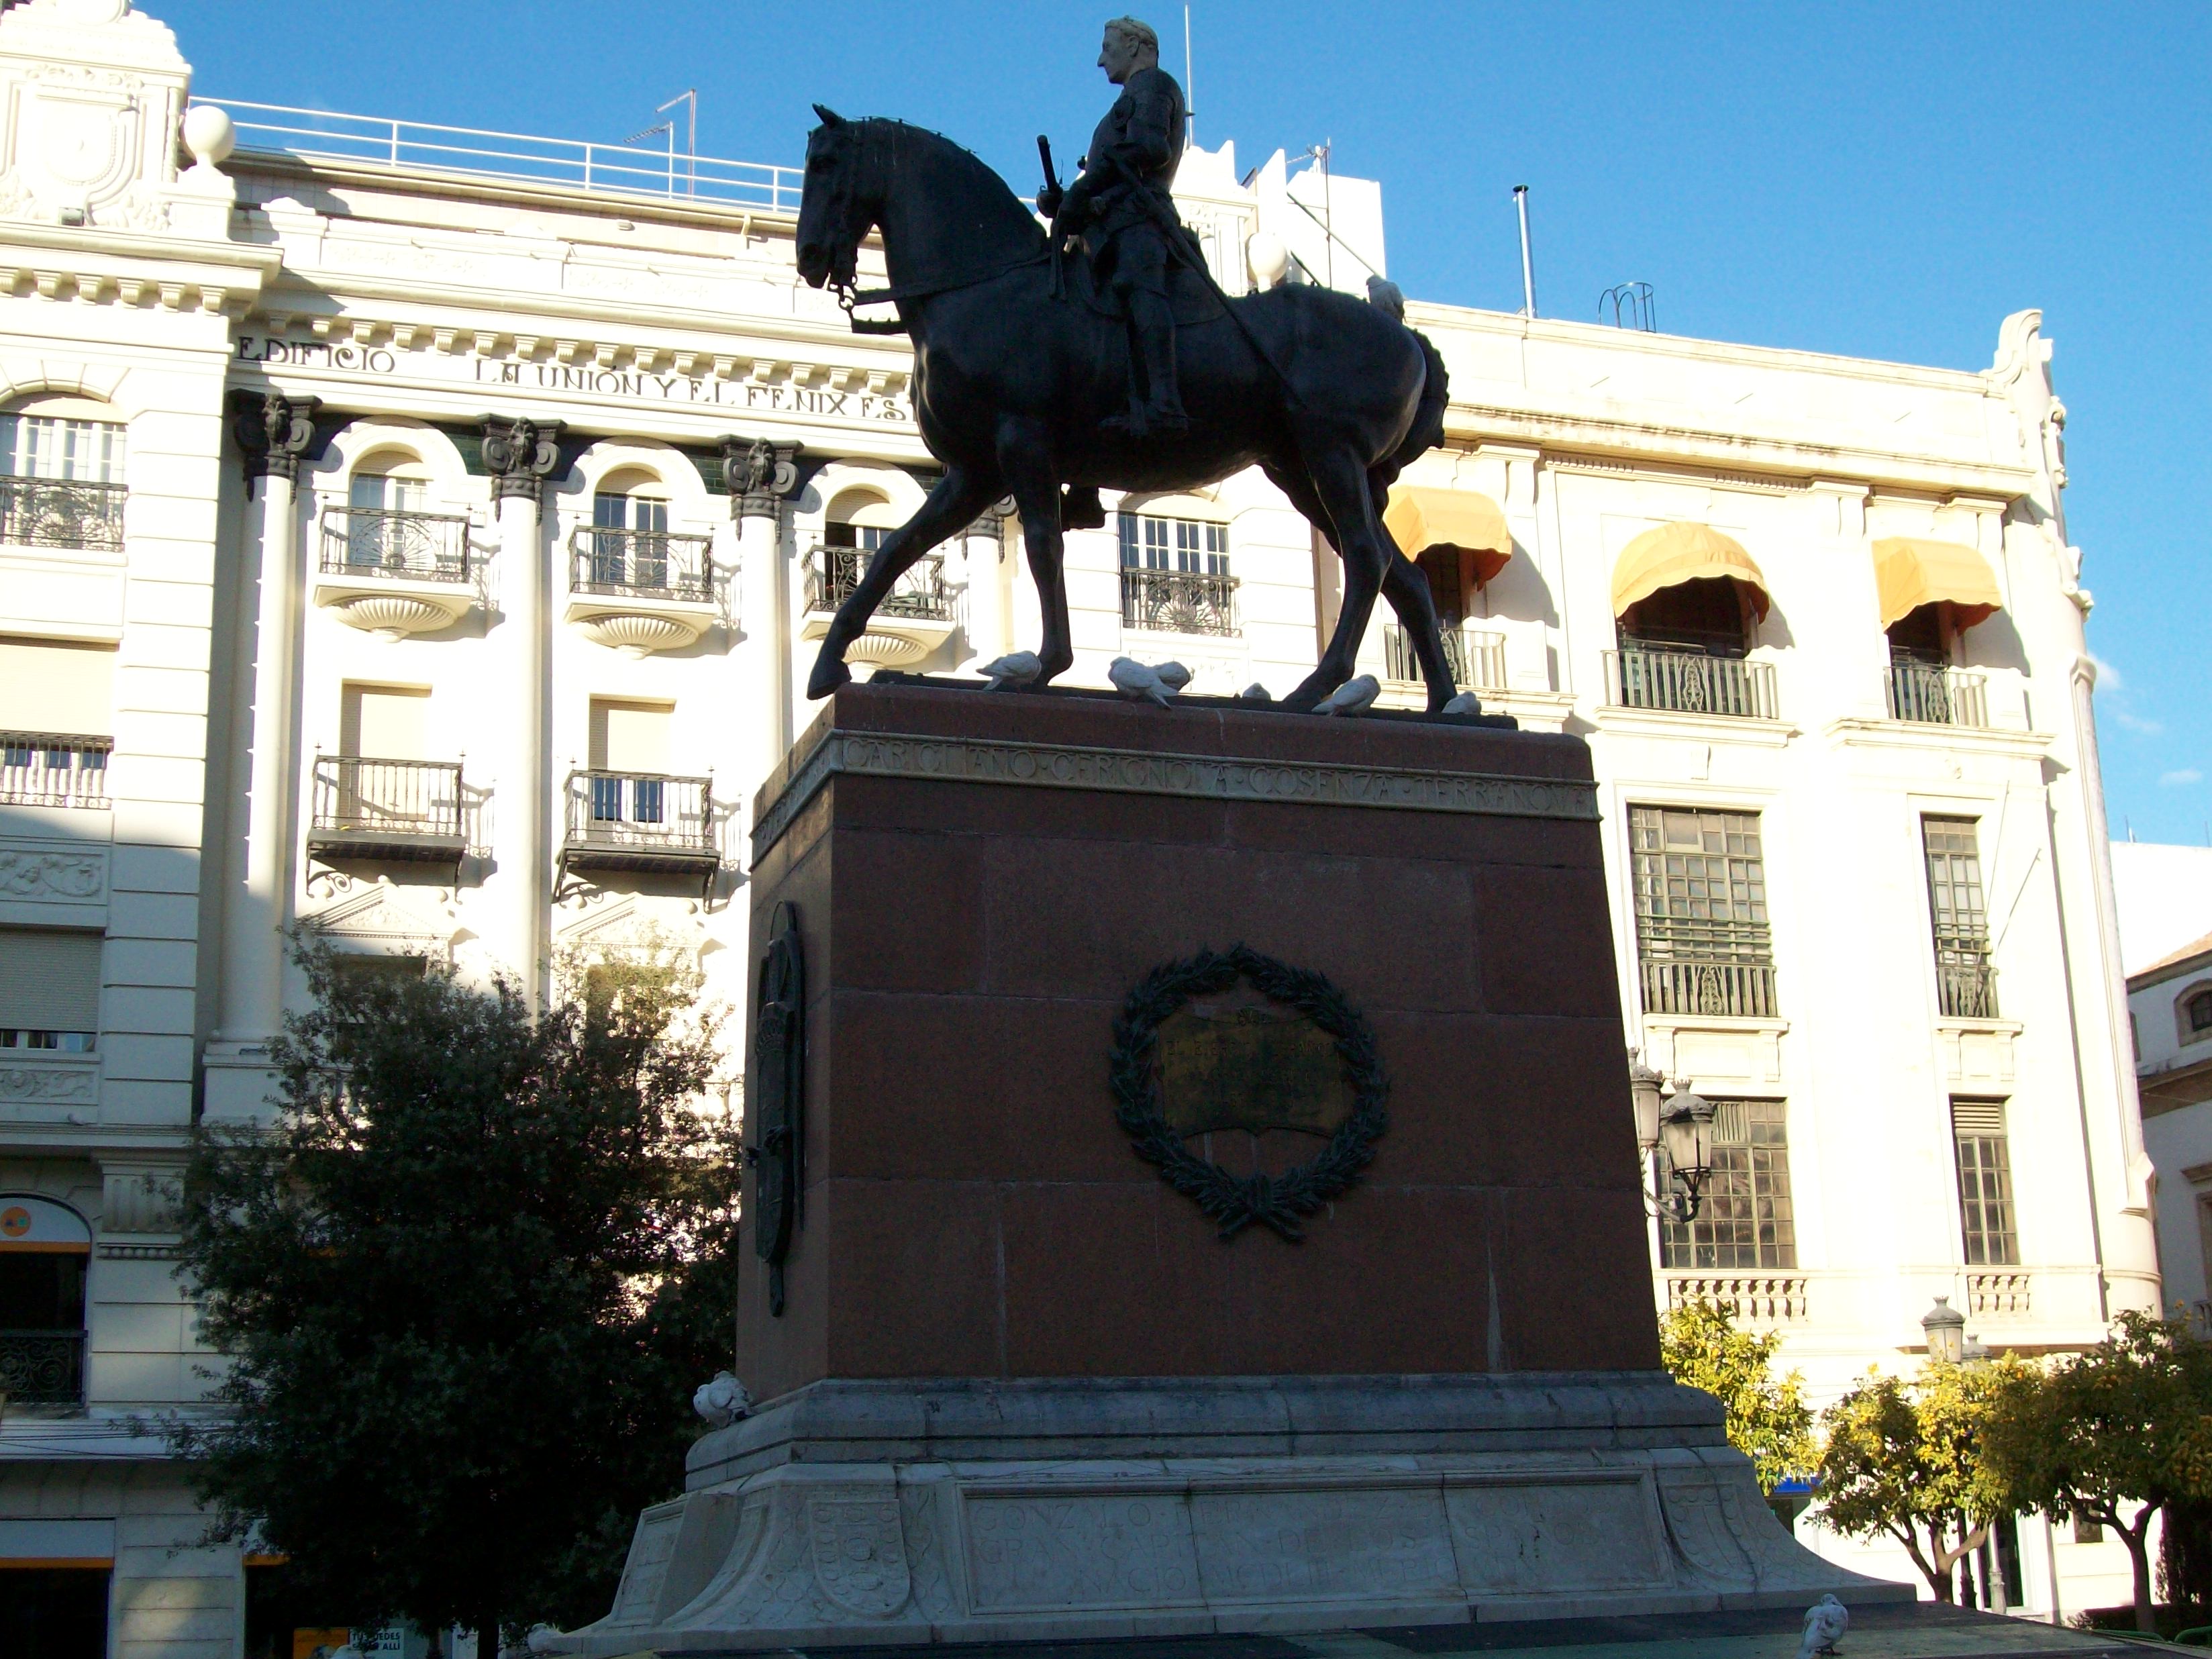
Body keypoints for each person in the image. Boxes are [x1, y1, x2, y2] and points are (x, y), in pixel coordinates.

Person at [1039, 17, 1189, 439]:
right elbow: (1111, 174)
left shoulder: (1153, 85)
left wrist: (1083, 190)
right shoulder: (1130, 96)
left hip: (1141, 219)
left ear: (1137, 46)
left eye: (1108, 47)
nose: (1100, 59)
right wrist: (1068, 200)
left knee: (1139, 287)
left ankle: (1165, 401)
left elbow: (1150, 147)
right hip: (1111, 221)